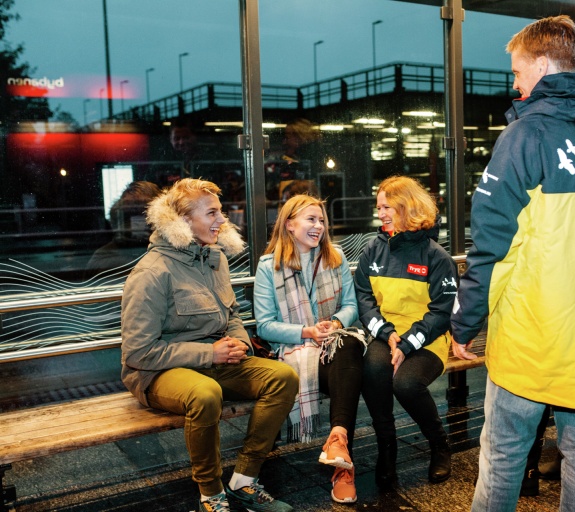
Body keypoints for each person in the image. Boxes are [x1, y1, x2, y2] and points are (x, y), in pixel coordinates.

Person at [450, 15, 575, 511]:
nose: (514, 84)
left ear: (540, 64)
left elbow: (491, 246)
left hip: (533, 336)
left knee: (503, 453)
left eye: (516, 72)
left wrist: (466, 321)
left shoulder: (525, 138)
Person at [121, 178, 298, 512]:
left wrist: (239, 341)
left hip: (213, 361)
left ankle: (244, 480)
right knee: (204, 394)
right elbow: (137, 352)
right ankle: (211, 494)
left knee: (283, 377)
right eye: (213, 213)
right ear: (183, 221)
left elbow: (231, 312)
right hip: (157, 371)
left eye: (222, 212)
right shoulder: (153, 271)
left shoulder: (214, 258)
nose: (223, 221)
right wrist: (210, 352)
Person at [253, 194, 366, 504]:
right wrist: (307, 332)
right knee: (349, 368)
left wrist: (337, 323)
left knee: (347, 346)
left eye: (321, 220)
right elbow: (264, 325)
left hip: (332, 349)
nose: (318, 226)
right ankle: (343, 464)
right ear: (289, 225)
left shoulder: (336, 256)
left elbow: (351, 305)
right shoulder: (269, 266)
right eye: (311, 219)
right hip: (293, 352)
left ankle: (338, 447)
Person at [354, 175, 459, 488]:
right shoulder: (373, 251)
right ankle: (387, 446)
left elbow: (441, 314)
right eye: (379, 207)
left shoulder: (437, 258)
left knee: (407, 383)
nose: (381, 213)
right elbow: (364, 300)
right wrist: (386, 334)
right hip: (388, 335)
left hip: (428, 339)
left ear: (407, 207)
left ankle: (440, 445)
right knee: (372, 369)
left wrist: (408, 344)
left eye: (387, 206)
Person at [86, 181, 161, 274]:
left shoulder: (169, 252)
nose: (137, 223)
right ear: (119, 219)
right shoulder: (104, 257)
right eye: (130, 215)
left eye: (143, 215)